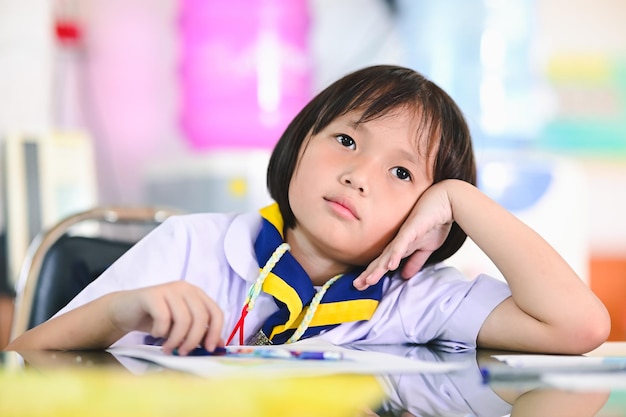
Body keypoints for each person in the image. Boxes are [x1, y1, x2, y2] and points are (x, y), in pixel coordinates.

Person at [6, 65, 610, 355]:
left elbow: (580, 327)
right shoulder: (188, 246)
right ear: (300, 144)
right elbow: (28, 355)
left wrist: (463, 199)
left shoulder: (415, 299)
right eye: (346, 141)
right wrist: (121, 310)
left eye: (402, 173)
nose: (356, 175)